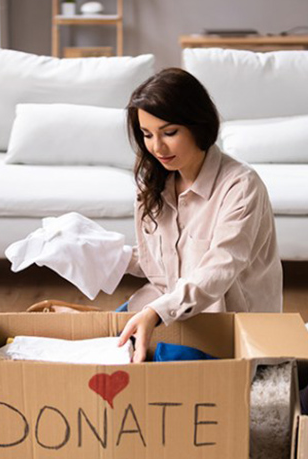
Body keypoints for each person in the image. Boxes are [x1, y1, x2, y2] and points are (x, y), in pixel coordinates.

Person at [117, 68, 283, 363]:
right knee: (107, 339)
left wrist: (156, 312)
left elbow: (219, 270)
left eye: (169, 133)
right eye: (147, 135)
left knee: (152, 363)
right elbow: (157, 264)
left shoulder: (241, 186)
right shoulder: (154, 182)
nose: (157, 147)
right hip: (173, 307)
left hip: (226, 324)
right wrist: (100, 254)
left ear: (199, 126)